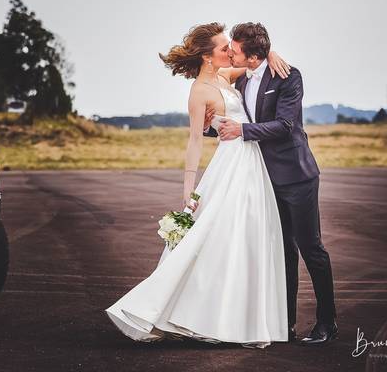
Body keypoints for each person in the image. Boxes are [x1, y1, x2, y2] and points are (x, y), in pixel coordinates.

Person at [105, 22, 291, 348]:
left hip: (252, 163)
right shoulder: (199, 92)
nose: (230, 51)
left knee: (246, 236)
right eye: (224, 48)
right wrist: (188, 191)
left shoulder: (226, 76)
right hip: (230, 164)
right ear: (207, 56)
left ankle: (240, 318)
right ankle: (189, 312)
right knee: (218, 235)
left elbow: (255, 63)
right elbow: (194, 140)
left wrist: (271, 52)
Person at [209, 22, 337, 345]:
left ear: (252, 56)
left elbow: (284, 125)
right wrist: (210, 126)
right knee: (282, 252)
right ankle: (285, 324)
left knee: (311, 248)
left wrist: (242, 131)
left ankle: (327, 322)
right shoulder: (242, 79)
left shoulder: (289, 77)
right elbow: (238, 115)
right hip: (264, 179)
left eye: (235, 50)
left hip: (297, 177)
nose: (230, 53)